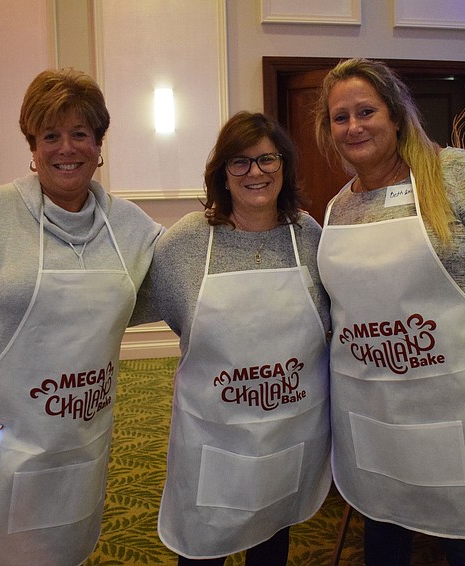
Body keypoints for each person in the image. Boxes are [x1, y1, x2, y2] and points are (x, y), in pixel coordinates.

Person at [0, 68, 163, 565]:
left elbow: (179, 277)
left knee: (63, 536)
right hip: (6, 427)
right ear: (32, 147)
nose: (66, 148)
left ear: (99, 145)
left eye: (80, 134)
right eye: (50, 135)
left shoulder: (130, 225)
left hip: (82, 425)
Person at [313, 57, 465, 565]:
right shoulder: (337, 208)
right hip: (373, 416)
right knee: (385, 531)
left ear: (395, 115)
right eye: (340, 117)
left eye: (366, 111)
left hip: (462, 412)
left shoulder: (454, 172)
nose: (354, 126)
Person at [134, 111, 331, 565]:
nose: (255, 172)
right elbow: (120, 305)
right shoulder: (187, 242)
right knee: (203, 546)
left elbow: (342, 319)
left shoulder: (308, 236)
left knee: (271, 538)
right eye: (239, 162)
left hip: (284, 433)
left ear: (284, 167)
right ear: (222, 173)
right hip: (212, 440)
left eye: (267, 160)